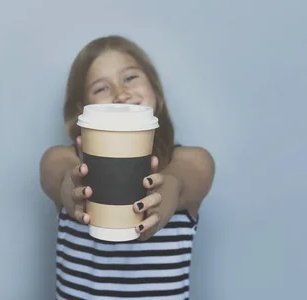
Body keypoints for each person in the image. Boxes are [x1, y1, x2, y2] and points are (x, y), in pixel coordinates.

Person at [39, 35, 216, 299]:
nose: (121, 94)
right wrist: (73, 189)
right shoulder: (64, 161)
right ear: (82, 111)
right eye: (101, 88)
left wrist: (164, 194)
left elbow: (183, 180)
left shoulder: (191, 161)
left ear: (155, 90)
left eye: (130, 77)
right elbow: (58, 174)